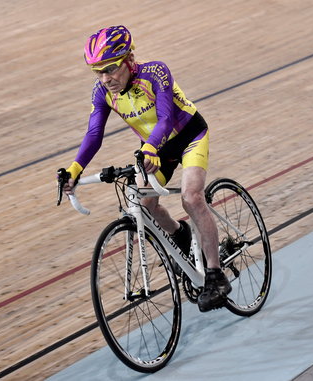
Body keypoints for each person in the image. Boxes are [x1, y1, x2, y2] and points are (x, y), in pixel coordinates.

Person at [61, 25, 231, 312]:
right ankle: (182, 238)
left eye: (111, 68)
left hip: (189, 136)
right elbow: (94, 134)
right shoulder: (102, 92)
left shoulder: (155, 73)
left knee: (191, 197)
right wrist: (74, 169)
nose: (106, 78)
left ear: (129, 60)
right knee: (144, 202)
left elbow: (165, 118)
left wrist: (150, 147)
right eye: (97, 72)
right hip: (155, 149)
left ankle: (215, 275)